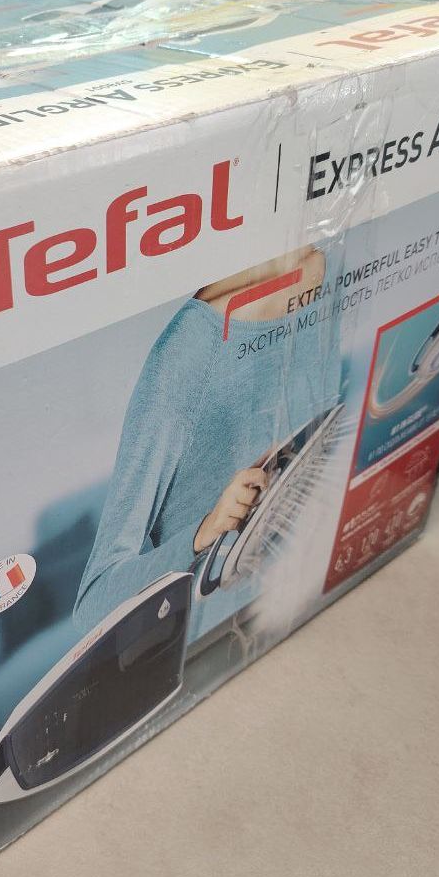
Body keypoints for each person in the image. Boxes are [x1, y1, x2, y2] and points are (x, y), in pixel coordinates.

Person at [73, 246, 341, 634]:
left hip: (309, 599)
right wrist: (204, 531)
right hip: (219, 637)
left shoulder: (329, 267)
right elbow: (93, 604)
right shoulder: (189, 353)